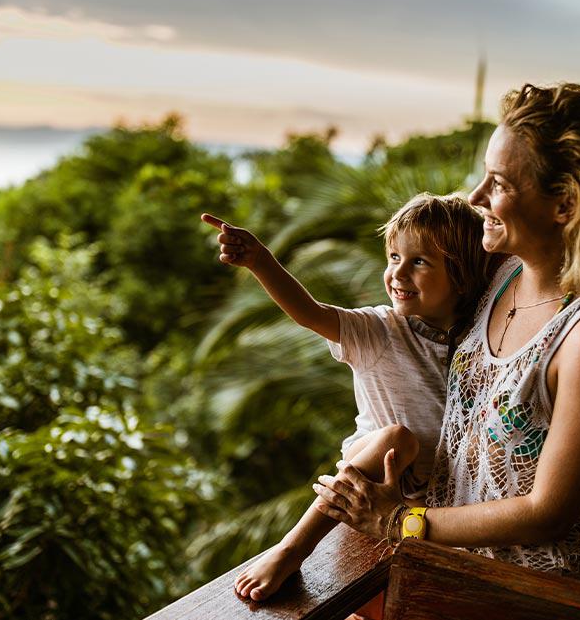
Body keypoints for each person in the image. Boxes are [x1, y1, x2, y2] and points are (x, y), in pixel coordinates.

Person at [313, 83, 580, 587]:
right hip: (450, 565)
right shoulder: (498, 275)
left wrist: (398, 522)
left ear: (564, 203)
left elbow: (549, 512)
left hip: (534, 593)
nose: (476, 198)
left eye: (497, 183)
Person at [201, 193, 489, 600]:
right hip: (367, 484)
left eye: (419, 261)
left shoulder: (481, 337)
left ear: (461, 275)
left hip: (433, 505)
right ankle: (292, 547)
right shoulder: (378, 330)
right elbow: (309, 311)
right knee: (396, 439)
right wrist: (260, 261)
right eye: (393, 257)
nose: (398, 273)